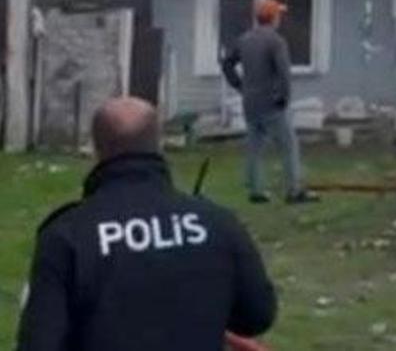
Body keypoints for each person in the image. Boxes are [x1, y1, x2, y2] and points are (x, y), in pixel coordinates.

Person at [16, 97, 277, 351]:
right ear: (158, 145)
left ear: (96, 152)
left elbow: (39, 342)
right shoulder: (217, 222)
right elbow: (257, 315)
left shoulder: (67, 235)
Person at [221, 0, 318, 204]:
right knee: (289, 146)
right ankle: (294, 191)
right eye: (278, 15)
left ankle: (255, 191)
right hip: (272, 103)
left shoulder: (244, 39)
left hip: (250, 102)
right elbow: (284, 73)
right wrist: (284, 97)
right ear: (273, 18)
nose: (279, 19)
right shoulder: (276, 41)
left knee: (254, 147)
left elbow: (227, 64)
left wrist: (239, 85)